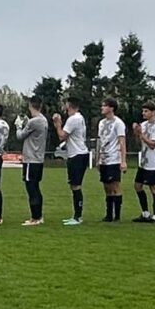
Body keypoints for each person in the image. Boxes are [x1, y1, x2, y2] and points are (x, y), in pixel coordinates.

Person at [52, 97, 89, 226]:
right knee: (74, 185)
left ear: (69, 105)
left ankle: (78, 217)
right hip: (79, 153)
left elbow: (62, 135)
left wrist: (57, 124)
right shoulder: (80, 118)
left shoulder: (73, 119)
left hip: (77, 155)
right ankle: (76, 215)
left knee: (76, 186)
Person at [14, 97, 49, 226]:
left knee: (31, 188)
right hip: (38, 158)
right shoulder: (43, 120)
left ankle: (35, 218)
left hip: (30, 159)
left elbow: (20, 136)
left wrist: (18, 125)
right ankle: (39, 216)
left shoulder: (34, 122)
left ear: (30, 106)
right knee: (36, 187)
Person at [132, 103, 155, 223]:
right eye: (143, 111)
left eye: (146, 111)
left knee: (154, 188)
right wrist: (136, 132)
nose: (143, 113)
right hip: (143, 162)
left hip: (153, 162)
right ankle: (145, 213)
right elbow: (139, 143)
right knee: (137, 185)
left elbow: (152, 144)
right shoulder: (144, 125)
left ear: (153, 112)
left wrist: (141, 134)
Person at [96, 98, 127, 222]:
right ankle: (108, 214)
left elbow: (122, 142)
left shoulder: (118, 123)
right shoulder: (101, 123)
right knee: (106, 187)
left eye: (104, 106)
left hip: (114, 158)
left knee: (115, 186)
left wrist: (123, 160)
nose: (102, 108)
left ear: (111, 108)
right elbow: (100, 140)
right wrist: (98, 158)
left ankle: (117, 215)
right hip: (104, 158)